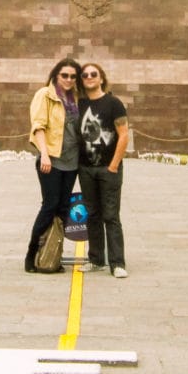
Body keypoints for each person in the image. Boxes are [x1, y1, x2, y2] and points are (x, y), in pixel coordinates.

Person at [24, 58, 82, 273]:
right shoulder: (45, 95)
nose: (68, 79)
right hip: (52, 160)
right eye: (64, 75)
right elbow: (38, 126)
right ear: (56, 75)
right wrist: (45, 155)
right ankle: (31, 253)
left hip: (72, 161)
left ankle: (52, 254)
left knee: (62, 208)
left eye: (73, 76)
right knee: (49, 206)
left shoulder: (77, 98)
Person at [77, 62, 129, 278]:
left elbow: (124, 135)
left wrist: (114, 165)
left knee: (111, 216)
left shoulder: (113, 103)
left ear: (101, 78)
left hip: (109, 168)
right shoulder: (79, 105)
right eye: (85, 75)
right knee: (92, 214)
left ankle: (117, 263)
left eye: (93, 74)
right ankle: (96, 259)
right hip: (86, 169)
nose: (89, 77)